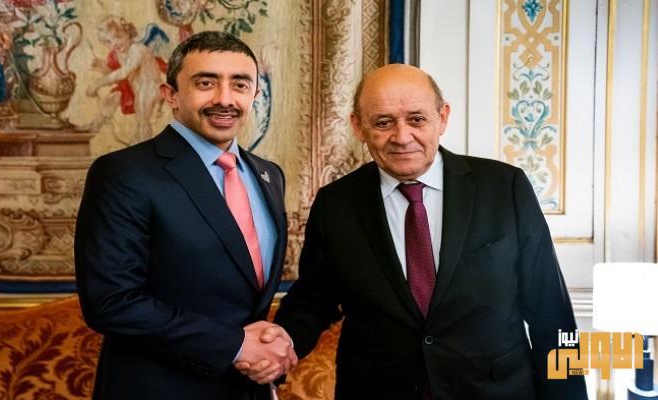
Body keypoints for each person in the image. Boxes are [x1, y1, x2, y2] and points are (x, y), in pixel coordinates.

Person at [240, 64, 588, 399]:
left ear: (442, 117)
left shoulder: (504, 187)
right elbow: (315, 300)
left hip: (494, 390)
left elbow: (552, 314)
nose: (402, 137)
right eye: (383, 122)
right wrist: (281, 342)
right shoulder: (336, 203)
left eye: (417, 119)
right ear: (358, 126)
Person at [75, 31, 296, 400]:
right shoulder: (125, 173)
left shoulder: (269, 175)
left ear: (255, 94)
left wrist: (270, 350)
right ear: (171, 95)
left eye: (240, 84)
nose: (224, 99)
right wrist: (235, 345)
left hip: (248, 390)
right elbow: (110, 302)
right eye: (206, 83)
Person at [83, 15, 166, 144]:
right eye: (108, 41)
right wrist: (102, 66)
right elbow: (116, 75)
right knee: (114, 96)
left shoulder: (137, 49)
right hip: (135, 89)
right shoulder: (118, 54)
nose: (114, 44)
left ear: (128, 33)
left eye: (118, 37)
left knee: (142, 118)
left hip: (152, 87)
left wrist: (98, 83)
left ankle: (143, 145)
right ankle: (95, 125)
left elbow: (124, 72)